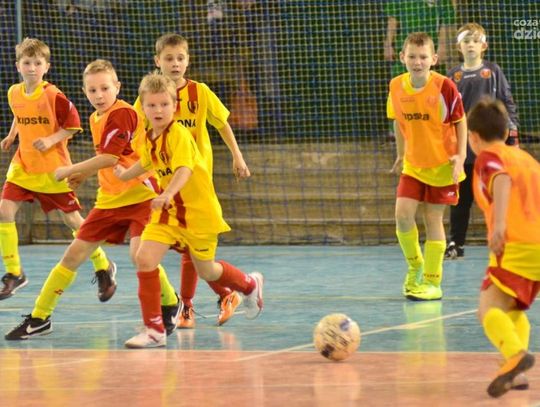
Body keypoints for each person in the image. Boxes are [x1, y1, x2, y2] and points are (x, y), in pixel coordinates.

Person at [4, 59, 180, 340]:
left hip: (141, 197)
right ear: (84, 92)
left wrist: (71, 170)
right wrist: (84, 175)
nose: (99, 95)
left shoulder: (122, 114)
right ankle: (39, 318)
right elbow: (109, 160)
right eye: (92, 90)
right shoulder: (96, 118)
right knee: (72, 255)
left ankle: (170, 303)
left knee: (140, 257)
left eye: (105, 88)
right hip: (109, 199)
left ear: (117, 87)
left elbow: (110, 157)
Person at [117, 72, 263, 348]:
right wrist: (124, 175)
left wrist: (167, 193)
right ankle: (154, 330)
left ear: (175, 106)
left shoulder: (180, 135)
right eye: (152, 105)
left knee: (207, 271)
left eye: (164, 104)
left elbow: (184, 169)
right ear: (143, 108)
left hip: (198, 213)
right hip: (169, 213)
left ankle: (249, 285)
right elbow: (147, 162)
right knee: (144, 258)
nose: (158, 110)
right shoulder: (149, 137)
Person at [133, 33, 251, 328]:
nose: (175, 64)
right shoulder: (149, 98)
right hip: (164, 181)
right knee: (185, 248)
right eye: (169, 58)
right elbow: (137, 135)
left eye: (180, 58)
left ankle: (188, 306)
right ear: (157, 61)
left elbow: (222, 124)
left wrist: (237, 156)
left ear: (188, 61)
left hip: (195, 180)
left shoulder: (200, 92)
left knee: (190, 246)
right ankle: (220, 295)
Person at [0, 38, 114, 301]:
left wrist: (51, 140)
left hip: (53, 169)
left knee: (73, 221)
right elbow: (19, 114)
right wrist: (12, 135)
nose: (32, 68)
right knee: (4, 210)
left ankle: (103, 265)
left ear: (46, 67)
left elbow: (73, 125)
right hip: (23, 166)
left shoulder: (53, 95)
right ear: (18, 66)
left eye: (37, 63)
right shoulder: (14, 92)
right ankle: (14, 272)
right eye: (27, 62)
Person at [388, 32, 467, 301]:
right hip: (413, 164)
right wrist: (401, 154)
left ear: (434, 59)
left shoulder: (445, 87)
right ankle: (415, 268)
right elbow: (398, 122)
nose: (417, 62)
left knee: (433, 219)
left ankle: (433, 282)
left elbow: (460, 121)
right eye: (412, 56)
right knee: (402, 215)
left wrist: (460, 155)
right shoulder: (396, 86)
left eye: (423, 57)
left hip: (443, 165)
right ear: (403, 58)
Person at [468, 98, 536, 398]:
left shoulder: (489, 157)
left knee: (488, 309)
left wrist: (499, 227)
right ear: (507, 132)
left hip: (516, 243)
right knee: (511, 307)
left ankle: (515, 356)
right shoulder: (526, 159)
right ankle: (515, 372)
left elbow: (501, 178)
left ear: (473, 137)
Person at [445, 23, 519, 260]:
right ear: (459, 46)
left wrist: (512, 133)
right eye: (466, 41)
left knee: (498, 197)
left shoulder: (493, 71)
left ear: (484, 46)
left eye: (475, 41)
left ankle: (505, 240)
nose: (470, 45)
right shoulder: (452, 76)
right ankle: (456, 243)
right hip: (464, 149)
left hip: (491, 147)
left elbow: (507, 101)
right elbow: (445, 112)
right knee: (461, 199)